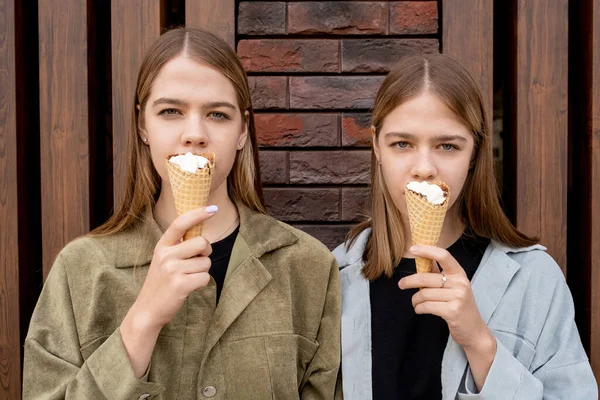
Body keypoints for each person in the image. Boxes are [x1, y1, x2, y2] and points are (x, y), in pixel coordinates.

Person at [23, 27, 341, 399]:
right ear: (143, 125)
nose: (194, 133)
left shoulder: (308, 266)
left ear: (242, 130)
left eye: (218, 115)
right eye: (171, 111)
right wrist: (143, 319)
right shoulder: (81, 269)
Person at [333, 54, 597, 399]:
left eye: (447, 146)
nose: (424, 168)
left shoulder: (534, 279)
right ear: (376, 146)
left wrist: (479, 342)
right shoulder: (333, 278)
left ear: (474, 154)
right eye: (402, 144)